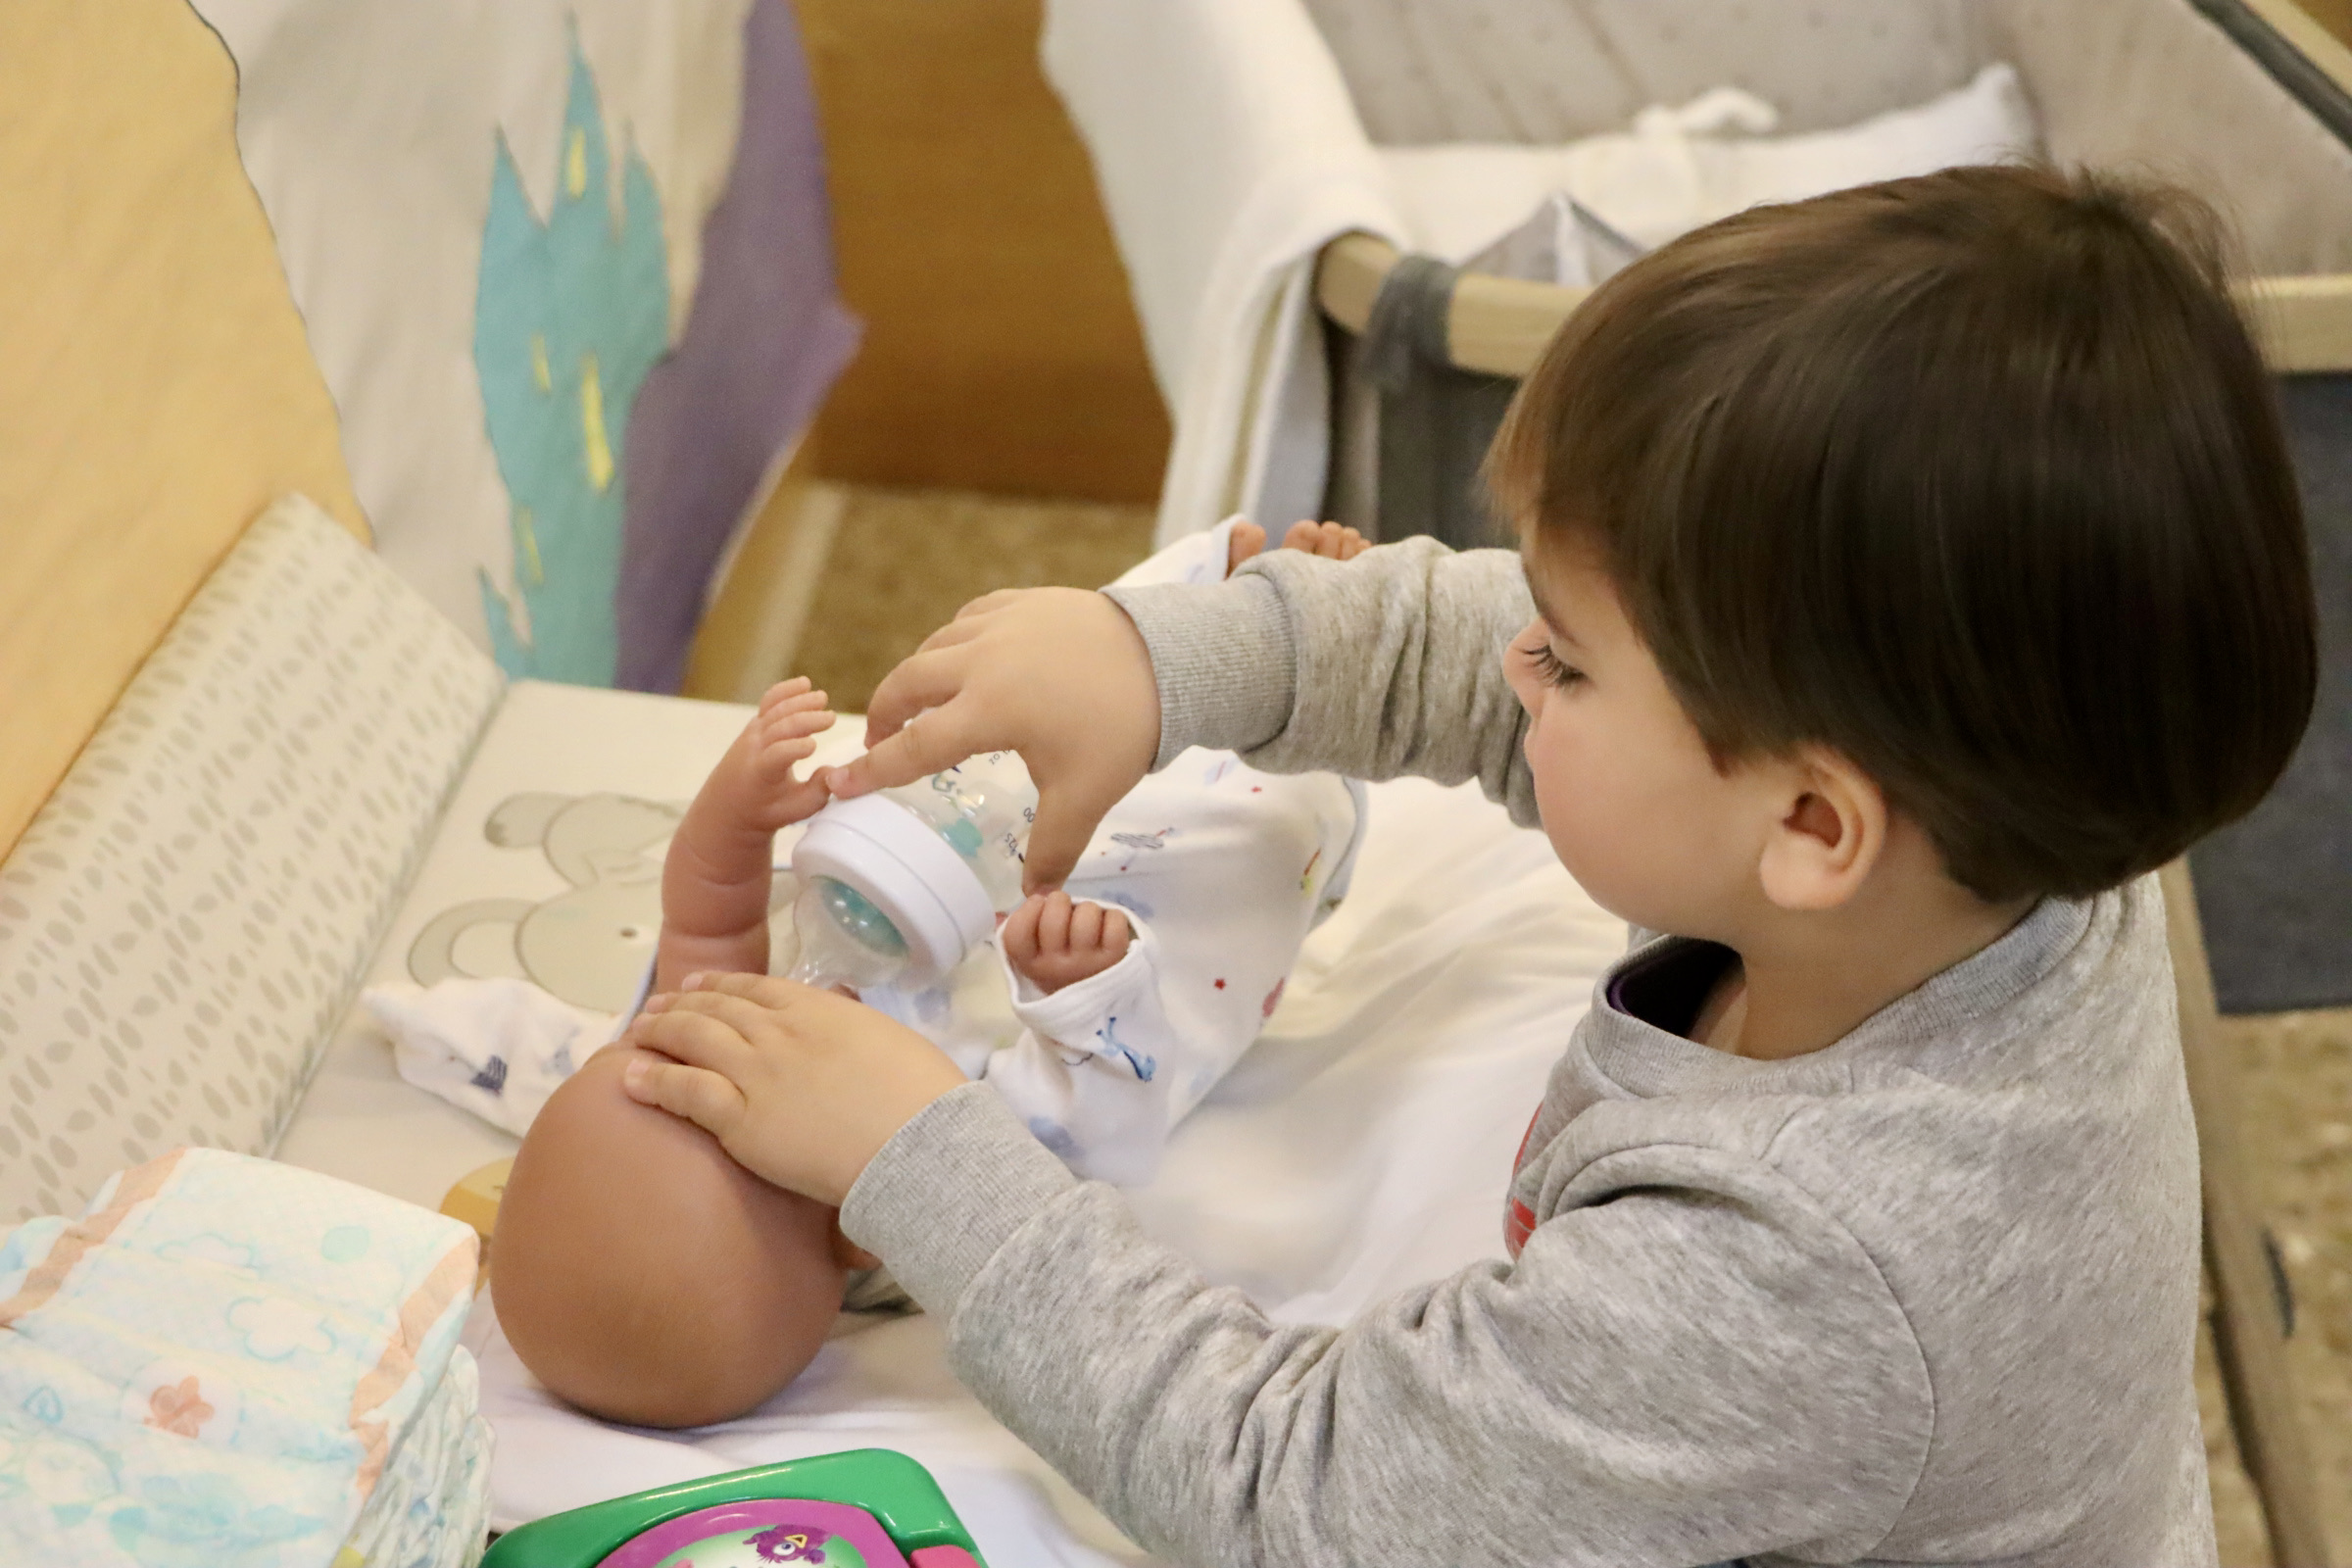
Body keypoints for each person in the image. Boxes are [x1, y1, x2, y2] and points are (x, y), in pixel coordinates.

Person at [615, 167, 2317, 1564]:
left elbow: (1298, 1495)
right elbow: (1461, 640)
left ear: (1811, 828)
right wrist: (1163, 660)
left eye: (1567, 662)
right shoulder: (1996, 813)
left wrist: (922, 1158)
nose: (1514, 666)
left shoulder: (1802, 1275)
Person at [490, 518, 1368, 1429]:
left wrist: (739, 813)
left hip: (968, 849)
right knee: (1251, 847)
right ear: (847, 1227)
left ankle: (1225, 626)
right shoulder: (936, 1180)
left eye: (656, 1057)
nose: (715, 1048)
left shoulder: (679, 1033)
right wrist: (1074, 988)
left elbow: (708, 909)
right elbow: (1096, 1123)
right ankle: (1323, 696)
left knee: (1041, 691)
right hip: (1113, 935)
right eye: (725, 1108)